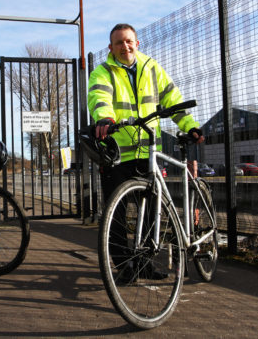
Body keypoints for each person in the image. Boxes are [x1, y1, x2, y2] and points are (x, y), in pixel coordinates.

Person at [87, 23, 204, 280]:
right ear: (111, 47)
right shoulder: (102, 72)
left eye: (129, 41)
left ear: (137, 43)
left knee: (152, 211)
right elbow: (99, 98)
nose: (124, 46)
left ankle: (145, 264)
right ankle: (124, 266)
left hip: (148, 153)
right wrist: (104, 118)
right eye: (119, 43)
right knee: (115, 214)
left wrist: (189, 125)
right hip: (117, 154)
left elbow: (172, 100)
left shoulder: (152, 67)